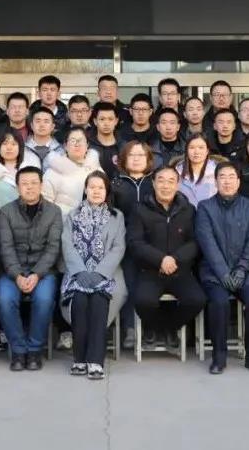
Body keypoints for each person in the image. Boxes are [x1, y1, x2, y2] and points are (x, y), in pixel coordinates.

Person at [195, 162, 249, 375]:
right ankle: (219, 356)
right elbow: (207, 243)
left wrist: (242, 269)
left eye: (231, 177)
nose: (227, 181)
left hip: (247, 271)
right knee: (219, 302)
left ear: (238, 181)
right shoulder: (205, 207)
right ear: (216, 181)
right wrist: (223, 272)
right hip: (215, 272)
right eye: (222, 177)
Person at [128, 167, 206, 348]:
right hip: (151, 270)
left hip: (180, 270)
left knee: (197, 300)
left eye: (171, 181)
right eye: (161, 180)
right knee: (143, 301)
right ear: (153, 183)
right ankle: (154, 327)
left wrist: (176, 259)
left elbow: (195, 242)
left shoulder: (188, 210)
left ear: (177, 185)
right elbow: (135, 242)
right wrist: (160, 259)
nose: (166, 186)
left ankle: (168, 328)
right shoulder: (140, 209)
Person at [61, 171, 127, 380]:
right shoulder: (72, 215)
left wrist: (99, 273)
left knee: (99, 302)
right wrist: (80, 272)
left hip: (107, 275)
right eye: (92, 187)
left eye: (101, 187)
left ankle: (96, 361)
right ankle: (79, 359)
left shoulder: (117, 216)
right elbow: (67, 245)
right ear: (85, 190)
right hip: (77, 273)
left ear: (107, 191)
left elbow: (118, 247)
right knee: (80, 301)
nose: (96, 191)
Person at [0, 166, 63, 371]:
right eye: (24, 184)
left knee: (44, 300)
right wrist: (17, 275)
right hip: (12, 271)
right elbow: (6, 247)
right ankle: (18, 350)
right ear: (18, 187)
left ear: (41, 185)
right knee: (5, 300)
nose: (30, 187)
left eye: (34, 183)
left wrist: (36, 274)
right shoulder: (6, 211)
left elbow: (53, 248)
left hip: (43, 271)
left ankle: (34, 350)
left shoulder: (54, 211)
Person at [110, 141, 155, 349]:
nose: (136, 159)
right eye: (132, 155)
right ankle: (129, 327)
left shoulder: (155, 182)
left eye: (141, 155)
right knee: (129, 284)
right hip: (125, 244)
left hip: (152, 244)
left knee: (149, 285)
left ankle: (150, 327)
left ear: (148, 160)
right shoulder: (115, 183)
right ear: (123, 159)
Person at [42, 127, 102, 215]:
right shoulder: (53, 172)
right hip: (63, 221)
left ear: (87, 145)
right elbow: (45, 207)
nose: (77, 144)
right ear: (65, 146)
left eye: (81, 141)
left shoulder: (96, 169)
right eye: (73, 141)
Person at [0, 131, 42, 209]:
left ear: (20, 147)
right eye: (4, 144)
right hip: (0, 215)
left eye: (13, 144)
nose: (9, 148)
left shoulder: (33, 170)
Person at [174, 134, 218, 208]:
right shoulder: (177, 172)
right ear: (186, 150)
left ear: (207, 151)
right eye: (192, 148)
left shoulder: (217, 171)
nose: (196, 152)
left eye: (201, 148)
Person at [88, 102, 124, 176]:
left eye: (110, 119)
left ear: (116, 121)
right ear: (95, 121)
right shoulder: (87, 146)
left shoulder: (124, 146)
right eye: (102, 119)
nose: (106, 123)